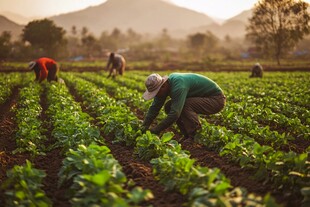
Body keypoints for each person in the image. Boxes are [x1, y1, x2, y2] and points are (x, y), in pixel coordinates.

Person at [142, 73, 226, 140]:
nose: (156, 95)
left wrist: (157, 129)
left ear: (163, 86)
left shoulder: (178, 85)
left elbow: (175, 114)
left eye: (156, 93)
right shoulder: (166, 87)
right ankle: (187, 135)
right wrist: (144, 126)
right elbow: (155, 108)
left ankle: (195, 135)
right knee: (169, 106)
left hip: (216, 100)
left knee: (184, 105)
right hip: (205, 98)